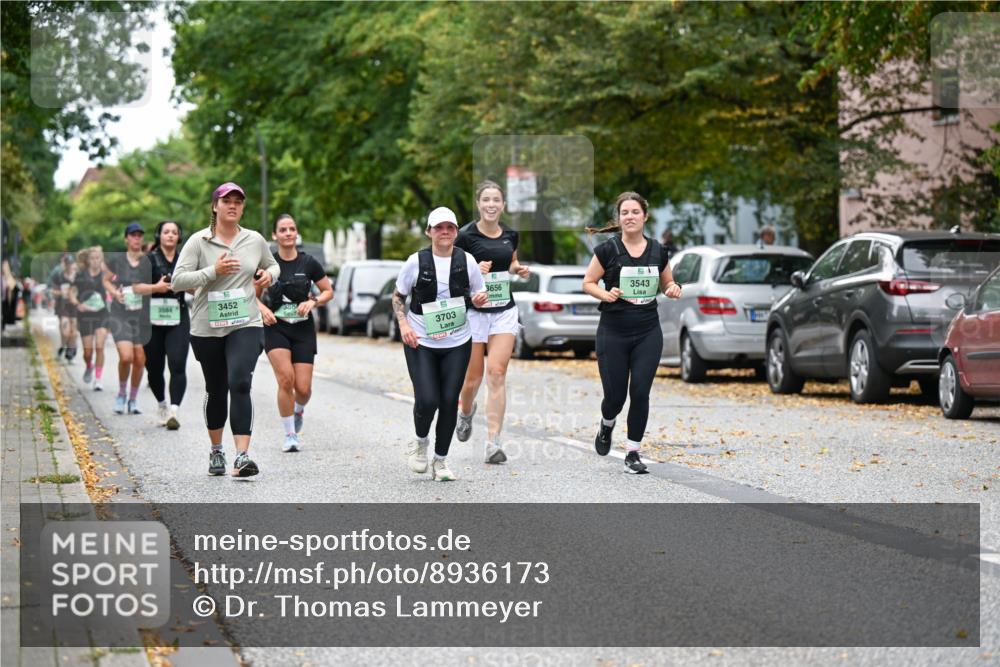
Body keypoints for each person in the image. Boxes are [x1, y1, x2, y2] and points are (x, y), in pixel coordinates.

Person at [171, 182, 278, 477]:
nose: (232, 205)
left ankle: (242, 456)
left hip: (245, 323)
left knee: (240, 382)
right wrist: (212, 272)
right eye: (226, 200)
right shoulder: (198, 241)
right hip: (207, 327)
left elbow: (273, 264)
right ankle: (217, 450)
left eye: (238, 201)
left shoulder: (254, 240)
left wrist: (269, 274)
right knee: (216, 390)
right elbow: (177, 281)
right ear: (215, 206)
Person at [582, 192, 682, 474]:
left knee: (640, 391)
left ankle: (633, 452)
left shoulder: (658, 251)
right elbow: (588, 282)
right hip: (613, 331)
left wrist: (673, 289)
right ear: (619, 218)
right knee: (615, 398)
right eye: (624, 212)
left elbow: (668, 283)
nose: (630, 217)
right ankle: (607, 424)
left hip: (648, 330)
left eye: (635, 212)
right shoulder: (608, 250)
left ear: (644, 216)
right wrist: (606, 293)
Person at [393, 206, 489, 481]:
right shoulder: (415, 261)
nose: (444, 232)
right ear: (429, 232)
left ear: (456, 232)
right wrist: (403, 325)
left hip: (457, 340)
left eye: (450, 227)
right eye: (439, 228)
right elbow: (398, 296)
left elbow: (478, 291)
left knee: (449, 401)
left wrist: (480, 298)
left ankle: (441, 461)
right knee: (427, 399)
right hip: (420, 339)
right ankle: (421, 442)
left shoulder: (467, 260)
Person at [453, 180, 530, 464]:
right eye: (486, 200)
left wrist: (517, 269)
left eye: (496, 200)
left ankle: (493, 443)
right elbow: (452, 272)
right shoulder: (464, 236)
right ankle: (465, 410)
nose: (491, 205)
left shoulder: (510, 234)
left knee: (496, 373)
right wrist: (474, 268)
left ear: (503, 205)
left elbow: (509, 261)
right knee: (472, 378)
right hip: (474, 312)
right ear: (478, 204)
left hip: (503, 310)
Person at [256, 214, 333, 452]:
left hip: (303, 329)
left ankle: (299, 409)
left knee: (303, 389)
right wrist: (263, 310)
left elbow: (328, 291)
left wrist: (314, 302)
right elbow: (251, 295)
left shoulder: (309, 262)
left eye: (292, 229)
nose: (288, 233)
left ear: (296, 233)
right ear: (275, 235)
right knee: (285, 379)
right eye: (283, 229)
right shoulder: (268, 266)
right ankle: (290, 435)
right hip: (276, 328)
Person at [134, 221, 190, 429]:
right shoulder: (148, 259)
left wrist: (186, 285)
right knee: (154, 367)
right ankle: (162, 405)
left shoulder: (185, 260)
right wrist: (156, 287)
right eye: (166, 232)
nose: (170, 235)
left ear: (179, 237)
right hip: (152, 319)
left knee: (177, 363)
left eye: (174, 232)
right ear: (159, 235)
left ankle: (174, 411)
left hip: (178, 317)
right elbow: (136, 288)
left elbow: (195, 286)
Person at [104, 223, 150, 415]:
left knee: (140, 359)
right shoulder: (117, 259)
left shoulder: (148, 261)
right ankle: (121, 394)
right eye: (133, 235)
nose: (136, 238)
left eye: (140, 235)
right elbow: (105, 279)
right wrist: (115, 293)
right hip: (120, 314)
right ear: (126, 239)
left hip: (140, 315)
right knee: (126, 357)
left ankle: (132, 399)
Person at [69, 247, 109, 390]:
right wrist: (77, 304)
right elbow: (72, 293)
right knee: (87, 352)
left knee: (99, 346)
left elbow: (115, 287)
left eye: (98, 258)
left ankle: (98, 379)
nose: (95, 261)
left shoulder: (106, 274)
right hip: (85, 315)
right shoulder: (80, 275)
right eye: (92, 258)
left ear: (101, 259)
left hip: (102, 314)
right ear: (87, 260)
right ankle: (89, 366)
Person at [49, 253, 78, 362]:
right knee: (65, 330)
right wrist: (61, 293)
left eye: (70, 263)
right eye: (67, 263)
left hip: (75, 306)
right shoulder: (59, 275)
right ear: (64, 264)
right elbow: (52, 290)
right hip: (63, 306)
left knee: (73, 331)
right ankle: (63, 346)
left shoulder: (77, 276)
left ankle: (70, 352)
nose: (69, 266)